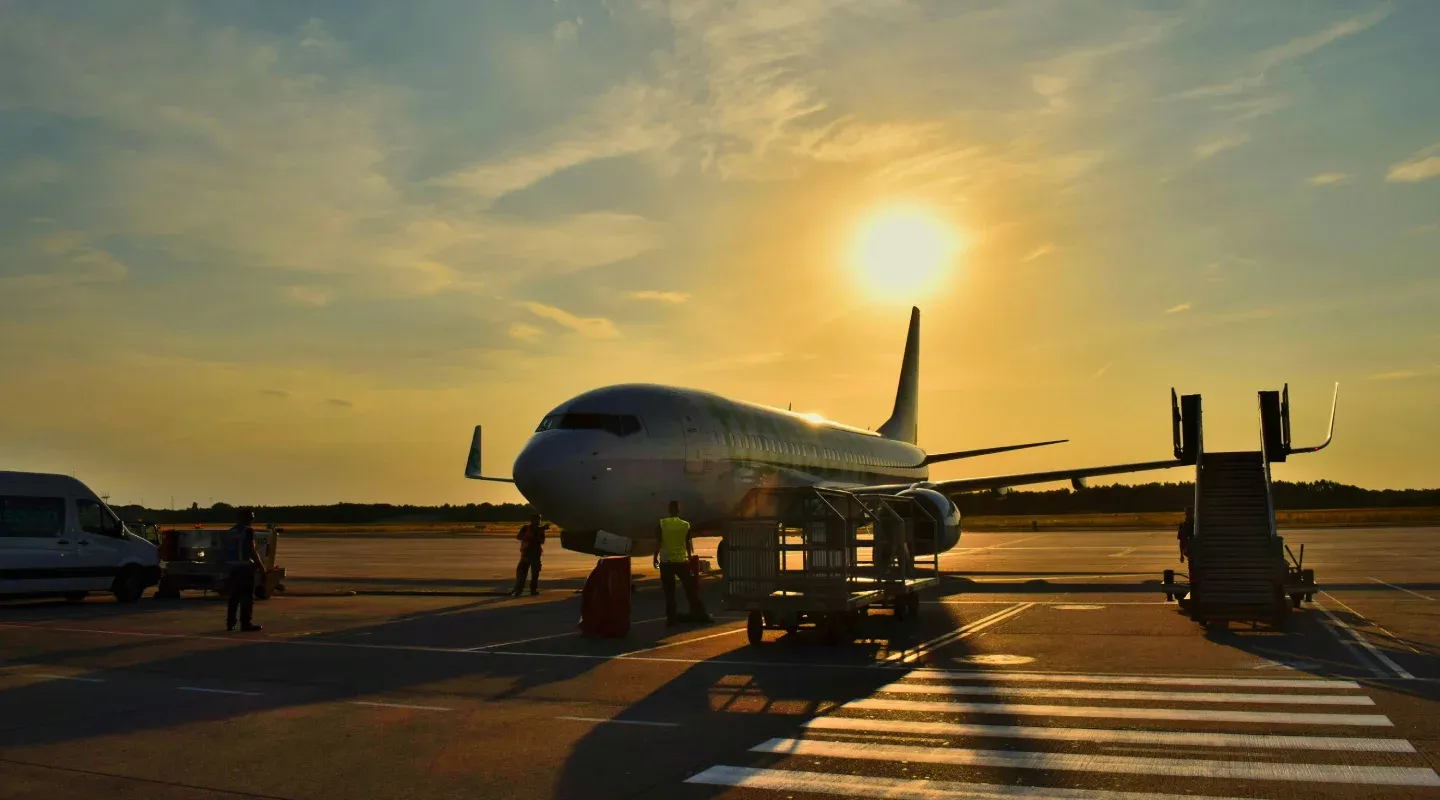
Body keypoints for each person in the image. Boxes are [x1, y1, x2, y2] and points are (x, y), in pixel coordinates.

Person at [653, 501, 712, 625]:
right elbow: (688, 543)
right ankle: (699, 612)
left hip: (666, 562)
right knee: (690, 589)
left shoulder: (662, 524)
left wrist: (655, 557)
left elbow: (658, 543)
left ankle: (671, 619)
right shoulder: (685, 525)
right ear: (679, 511)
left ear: (669, 510)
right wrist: (690, 558)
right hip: (681, 561)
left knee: (669, 592)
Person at [226, 508, 266, 632]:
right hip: (245, 567)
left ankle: (230, 623)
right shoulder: (248, 531)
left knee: (234, 597)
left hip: (233, 567)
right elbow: (252, 550)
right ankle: (246, 623)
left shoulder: (231, 531)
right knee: (247, 597)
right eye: (251, 518)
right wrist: (260, 566)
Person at [512, 514, 546, 596]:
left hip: (536, 554)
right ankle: (518, 590)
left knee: (535, 574)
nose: (537, 522)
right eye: (536, 520)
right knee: (522, 573)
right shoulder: (526, 528)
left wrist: (537, 534)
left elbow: (542, 541)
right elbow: (519, 536)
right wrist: (529, 536)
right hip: (526, 554)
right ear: (532, 520)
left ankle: (533, 590)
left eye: (539, 520)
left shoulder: (540, 530)